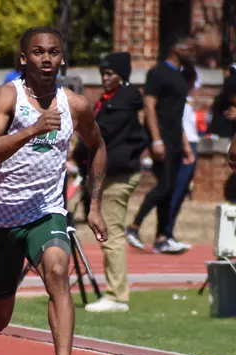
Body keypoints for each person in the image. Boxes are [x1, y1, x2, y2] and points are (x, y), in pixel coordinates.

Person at [0, 27, 108, 355]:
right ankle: (6, 284)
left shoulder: (75, 105)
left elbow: (98, 147)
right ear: (24, 58)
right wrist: (32, 129)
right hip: (2, 218)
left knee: (57, 272)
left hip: (46, 212)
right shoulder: (6, 98)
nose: (46, 58)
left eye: (53, 52)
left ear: (62, 58)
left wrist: (94, 206)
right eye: (38, 52)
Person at [70, 52, 147, 313]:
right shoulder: (112, 99)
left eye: (110, 73)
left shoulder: (122, 102)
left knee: (111, 232)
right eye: (103, 73)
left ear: (122, 75)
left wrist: (77, 152)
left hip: (118, 175)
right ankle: (114, 293)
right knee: (109, 232)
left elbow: (99, 134)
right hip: (110, 174)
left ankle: (117, 296)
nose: (105, 78)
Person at [124, 34, 196, 254]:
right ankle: (134, 227)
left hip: (175, 138)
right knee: (164, 185)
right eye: (189, 49)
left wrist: (185, 145)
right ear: (176, 48)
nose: (192, 54)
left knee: (171, 187)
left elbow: (177, 115)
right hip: (161, 137)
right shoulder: (158, 73)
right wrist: (155, 139)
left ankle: (162, 237)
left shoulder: (180, 77)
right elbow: (149, 106)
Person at [163, 65, 202, 251]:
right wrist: (187, 147)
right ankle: (165, 233)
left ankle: (169, 233)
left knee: (182, 192)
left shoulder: (188, 99)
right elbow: (179, 125)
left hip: (193, 143)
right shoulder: (179, 99)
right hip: (187, 146)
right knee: (176, 191)